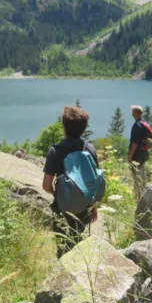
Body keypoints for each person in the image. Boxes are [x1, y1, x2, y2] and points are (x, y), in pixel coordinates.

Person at [42, 105, 99, 257]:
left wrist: (57, 194)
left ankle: (64, 268)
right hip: (84, 206)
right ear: (84, 128)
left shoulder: (55, 151)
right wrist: (93, 207)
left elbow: (46, 185)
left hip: (62, 207)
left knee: (62, 244)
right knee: (76, 238)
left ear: (64, 127)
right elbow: (94, 182)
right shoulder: (90, 149)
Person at [128, 105, 152, 198]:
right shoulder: (143, 123)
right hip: (143, 152)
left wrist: (130, 155)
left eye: (133, 110)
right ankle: (143, 192)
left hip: (137, 154)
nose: (131, 112)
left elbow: (135, 142)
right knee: (141, 173)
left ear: (135, 112)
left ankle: (138, 196)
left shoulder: (137, 125)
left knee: (136, 175)